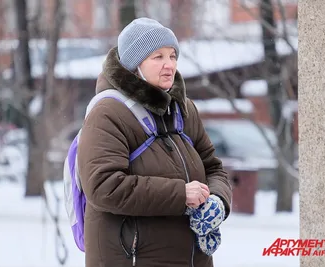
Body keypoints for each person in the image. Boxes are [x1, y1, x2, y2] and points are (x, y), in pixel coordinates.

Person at [77, 17, 232, 267]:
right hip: (132, 259)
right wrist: (180, 194)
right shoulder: (108, 113)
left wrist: (218, 200)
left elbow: (213, 168)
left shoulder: (184, 110)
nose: (169, 65)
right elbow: (104, 187)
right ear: (134, 65)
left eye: (172, 56)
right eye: (157, 57)